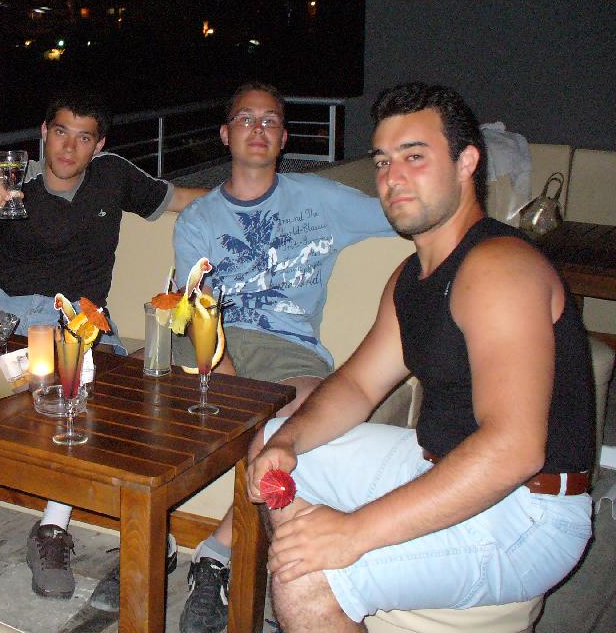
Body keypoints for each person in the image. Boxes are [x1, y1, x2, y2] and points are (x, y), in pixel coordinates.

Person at [247, 83, 594, 632]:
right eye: (383, 161)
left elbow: (515, 449)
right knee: (273, 442)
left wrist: (353, 533)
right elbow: (358, 386)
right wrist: (286, 442)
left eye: (414, 157)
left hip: (529, 511)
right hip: (436, 461)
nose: (392, 178)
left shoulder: (499, 268)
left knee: (305, 578)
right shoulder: (411, 277)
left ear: (466, 163)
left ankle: (320, 595)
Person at [88, 82, 395, 631]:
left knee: (310, 416)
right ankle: (153, 540)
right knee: (119, 389)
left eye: (270, 120)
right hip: (208, 340)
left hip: (288, 350)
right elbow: (192, 308)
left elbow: (406, 215)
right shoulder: (199, 219)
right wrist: (223, 370)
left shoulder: (321, 198)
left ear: (284, 137)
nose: (258, 129)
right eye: (246, 119)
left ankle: (216, 554)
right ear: (226, 134)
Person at [0, 91, 206, 599]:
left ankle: (52, 529)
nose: (68, 147)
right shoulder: (10, 179)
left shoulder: (113, 175)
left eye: (83, 138)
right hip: (10, 311)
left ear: (98, 146)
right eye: (60, 132)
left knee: (85, 389)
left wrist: (257, 198)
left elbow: (182, 199)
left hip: (78, 321)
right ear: (44, 132)